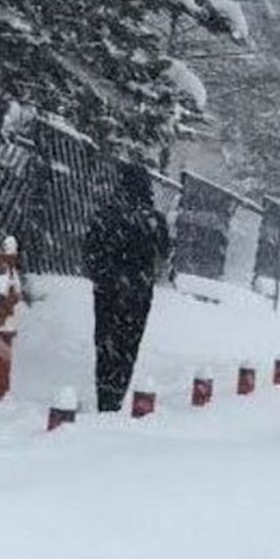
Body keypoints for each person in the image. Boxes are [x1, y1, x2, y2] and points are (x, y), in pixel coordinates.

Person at [84, 162, 171, 412]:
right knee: (128, 345)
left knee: (105, 342)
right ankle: (117, 394)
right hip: (138, 293)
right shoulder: (153, 220)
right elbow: (163, 255)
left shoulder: (105, 215)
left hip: (107, 291)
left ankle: (104, 393)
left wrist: (104, 276)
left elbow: (91, 252)